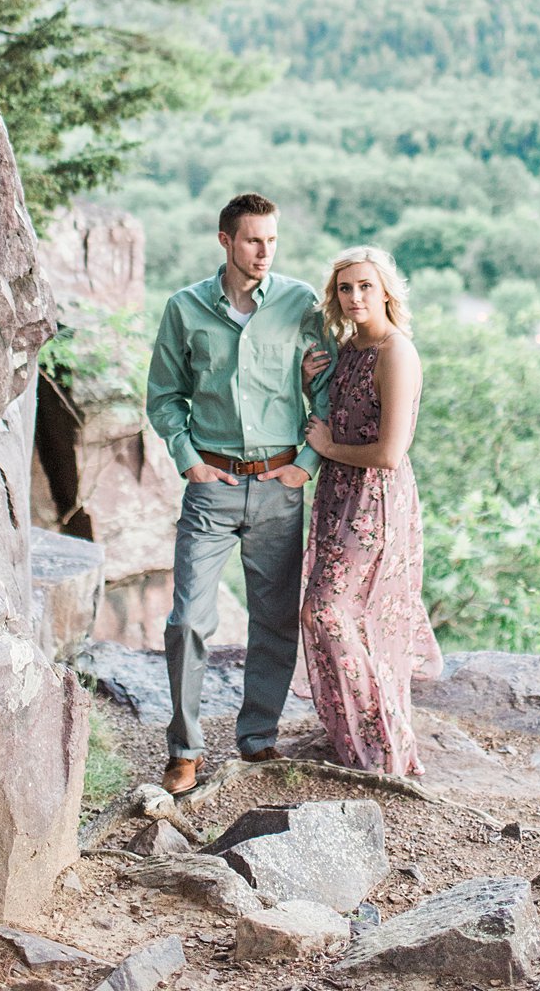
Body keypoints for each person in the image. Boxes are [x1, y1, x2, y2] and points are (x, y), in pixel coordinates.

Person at [146, 191, 333, 795]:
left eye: (272, 240)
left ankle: (258, 739)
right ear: (225, 240)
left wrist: (305, 462)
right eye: (253, 240)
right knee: (188, 621)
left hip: (280, 487)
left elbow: (324, 388)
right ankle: (185, 749)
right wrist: (190, 462)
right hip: (213, 488)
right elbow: (165, 395)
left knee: (274, 621)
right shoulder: (185, 308)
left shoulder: (300, 302)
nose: (264, 252)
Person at [301, 245, 442, 776]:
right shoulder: (347, 348)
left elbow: (389, 452)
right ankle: (352, 736)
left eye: (365, 286)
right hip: (338, 492)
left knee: (327, 611)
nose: (355, 296)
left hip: (373, 500)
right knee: (344, 616)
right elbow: (330, 414)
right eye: (345, 288)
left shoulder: (394, 351)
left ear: (385, 289)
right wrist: (306, 382)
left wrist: (330, 447)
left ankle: (384, 747)